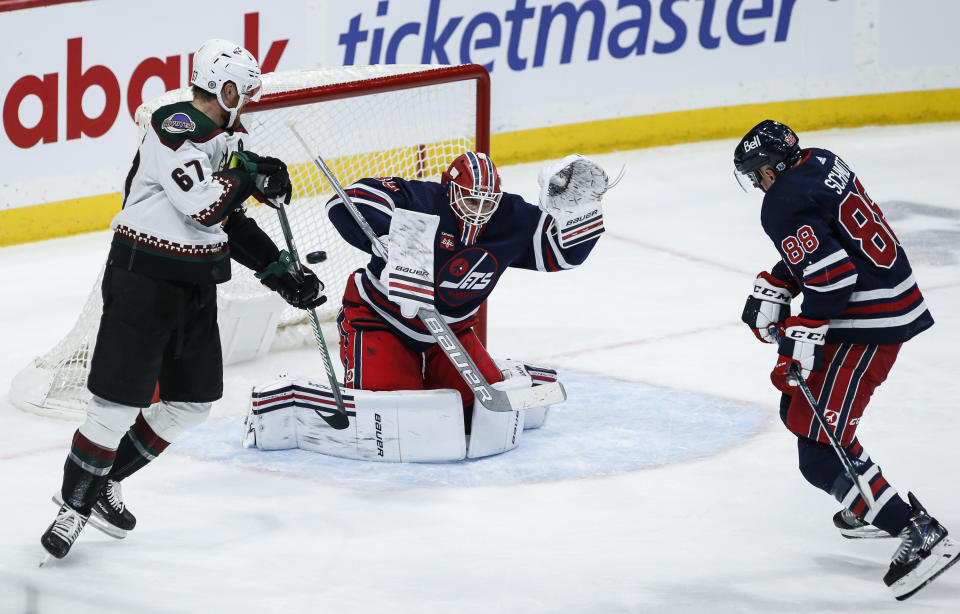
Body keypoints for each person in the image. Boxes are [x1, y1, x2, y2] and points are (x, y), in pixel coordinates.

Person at [40, 39, 325, 561]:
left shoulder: (217, 140)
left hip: (192, 284)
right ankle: (72, 506)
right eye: (246, 91)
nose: (250, 101)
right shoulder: (174, 127)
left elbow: (229, 224)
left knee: (192, 402)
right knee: (115, 405)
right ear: (227, 88)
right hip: (142, 280)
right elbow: (206, 206)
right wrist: (246, 174)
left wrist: (282, 273)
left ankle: (105, 483)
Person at [735, 119, 958, 599]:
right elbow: (832, 243)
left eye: (757, 175)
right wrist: (783, 280)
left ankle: (918, 532)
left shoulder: (780, 203)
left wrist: (802, 331)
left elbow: (833, 280)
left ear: (770, 171)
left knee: (818, 450)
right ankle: (866, 503)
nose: (758, 184)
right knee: (803, 416)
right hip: (892, 298)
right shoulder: (821, 161)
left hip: (868, 323)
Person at [326, 151, 611, 429]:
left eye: (488, 202)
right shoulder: (420, 199)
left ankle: (455, 373)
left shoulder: (509, 217)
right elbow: (345, 200)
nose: (480, 211)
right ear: (450, 190)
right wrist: (386, 234)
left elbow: (562, 255)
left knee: (478, 417)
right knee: (393, 418)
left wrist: (579, 211)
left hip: (450, 332)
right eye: (472, 200)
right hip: (381, 320)